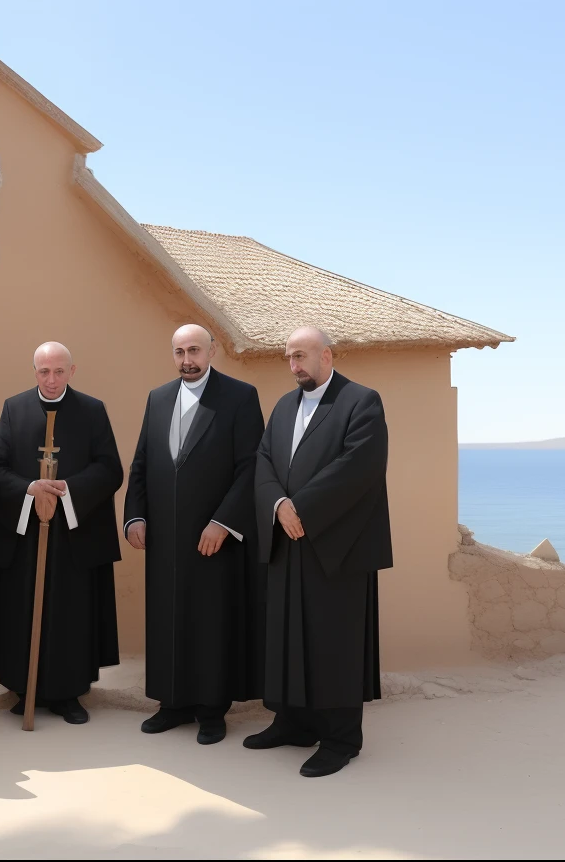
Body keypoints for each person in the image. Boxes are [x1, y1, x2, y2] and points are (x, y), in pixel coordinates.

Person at [250, 325, 391, 777]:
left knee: (335, 643)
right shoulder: (284, 405)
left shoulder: (361, 401)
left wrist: (302, 510)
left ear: (327, 356)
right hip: (287, 540)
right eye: (289, 358)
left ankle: (340, 739)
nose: (294, 366)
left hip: (336, 545)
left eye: (302, 356)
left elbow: (359, 467)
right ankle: (292, 722)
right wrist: (277, 504)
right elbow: (265, 460)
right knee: (288, 635)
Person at [123, 324, 266, 744]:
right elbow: (142, 463)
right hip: (164, 540)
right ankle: (173, 703)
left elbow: (250, 466)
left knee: (210, 623)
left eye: (195, 350)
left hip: (213, 537)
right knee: (169, 619)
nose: (187, 359)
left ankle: (211, 711)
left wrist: (223, 522)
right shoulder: (159, 397)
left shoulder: (240, 397)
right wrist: (134, 516)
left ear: (212, 351)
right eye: (180, 351)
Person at [0, 341, 123, 725]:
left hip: (74, 534)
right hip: (27, 533)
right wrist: (29, 490)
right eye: (44, 371)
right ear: (34, 373)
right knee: (23, 608)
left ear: (72, 372)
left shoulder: (92, 411)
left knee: (70, 612)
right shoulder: (15, 409)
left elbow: (111, 469)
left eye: (59, 371)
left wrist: (66, 490)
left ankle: (68, 694)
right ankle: (25, 688)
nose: (51, 379)